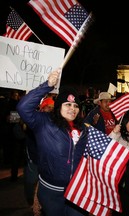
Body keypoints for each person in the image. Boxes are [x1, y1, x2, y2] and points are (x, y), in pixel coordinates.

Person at [17, 70, 88, 216]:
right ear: (59, 106)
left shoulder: (84, 129)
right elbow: (23, 107)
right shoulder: (44, 123)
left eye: (75, 106)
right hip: (51, 192)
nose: (72, 109)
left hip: (76, 190)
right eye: (67, 104)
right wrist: (47, 85)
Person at [23, 96, 54, 215]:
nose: (51, 110)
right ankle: (31, 202)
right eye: (48, 107)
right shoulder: (34, 120)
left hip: (48, 162)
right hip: (34, 160)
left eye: (52, 107)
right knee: (31, 183)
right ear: (42, 108)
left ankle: (42, 206)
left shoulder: (56, 121)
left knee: (46, 188)